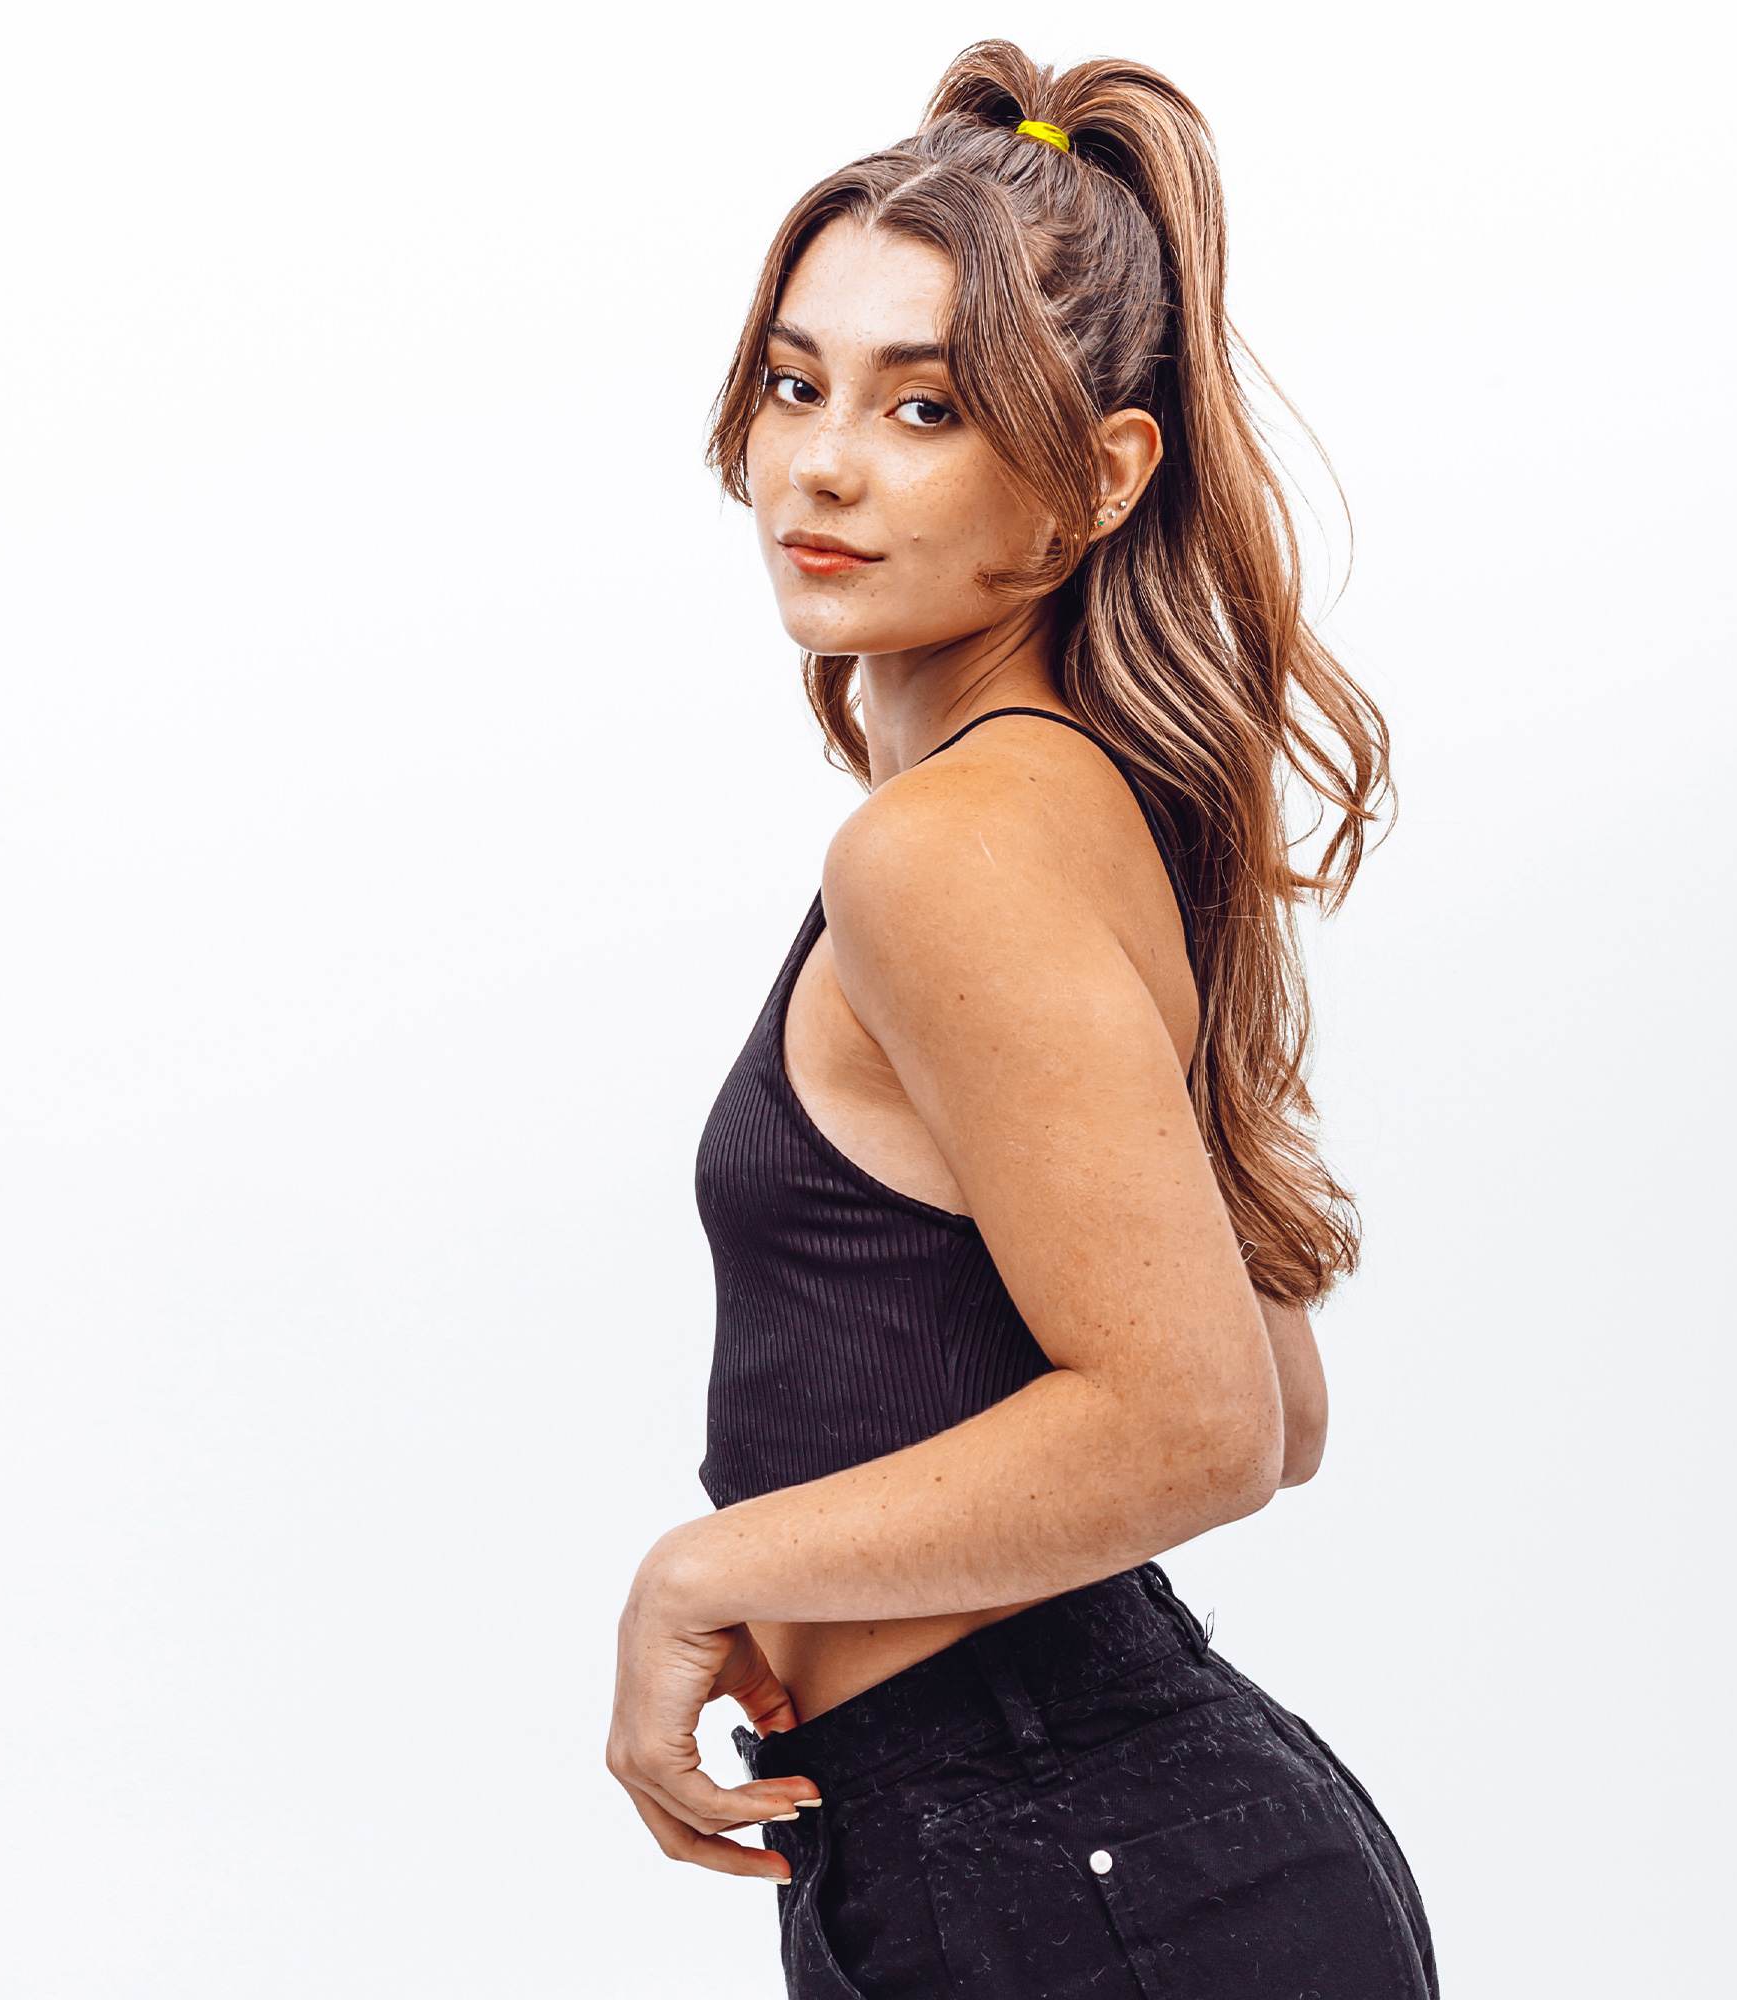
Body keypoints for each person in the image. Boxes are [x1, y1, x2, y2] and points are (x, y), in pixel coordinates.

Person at [609, 40, 1435, 1999]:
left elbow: (1205, 1423)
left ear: (1100, 476)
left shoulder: (948, 850)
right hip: (1072, 1856)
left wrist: (705, 1568)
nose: (822, 463)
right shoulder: (1084, 808)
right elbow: (1282, 1403)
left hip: (1075, 1880)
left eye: (926, 407)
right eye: (795, 383)